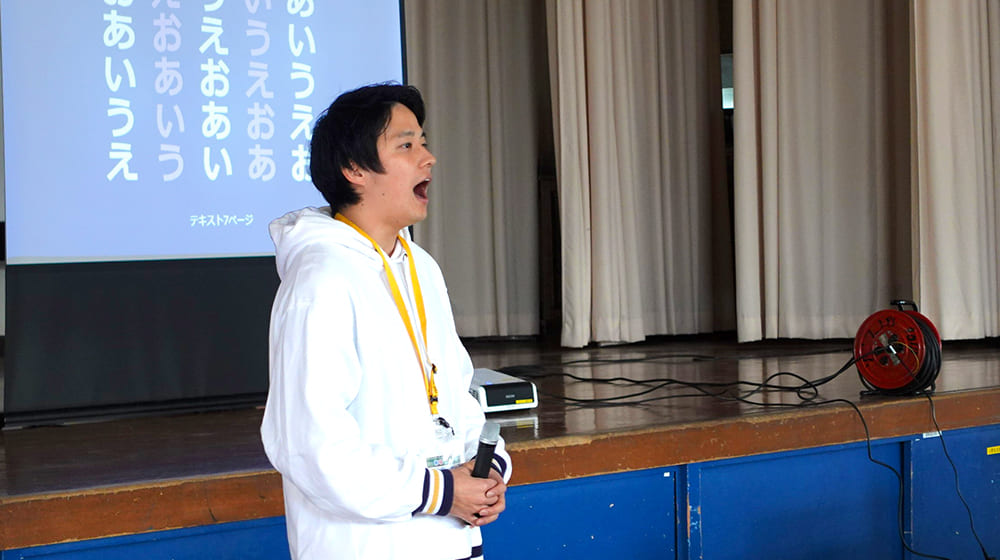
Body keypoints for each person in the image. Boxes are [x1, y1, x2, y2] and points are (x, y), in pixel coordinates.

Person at [261, 83, 511, 560]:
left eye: (424, 142)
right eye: (406, 145)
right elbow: (312, 446)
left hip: (449, 541)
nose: (429, 158)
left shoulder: (420, 267)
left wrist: (487, 470)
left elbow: (454, 395)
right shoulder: (320, 279)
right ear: (354, 169)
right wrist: (441, 492)